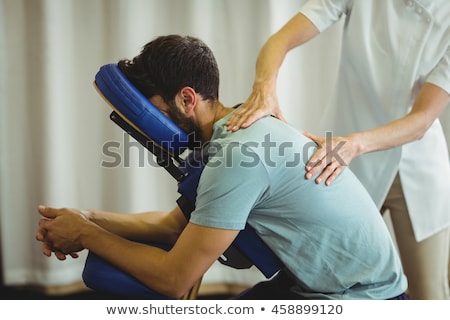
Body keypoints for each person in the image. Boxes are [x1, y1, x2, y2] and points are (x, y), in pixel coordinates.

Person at [36, 35, 408, 300]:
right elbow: (173, 227)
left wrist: (86, 236)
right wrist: (84, 217)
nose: (152, 123)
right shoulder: (235, 137)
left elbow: (175, 279)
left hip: (364, 300)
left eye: (155, 111)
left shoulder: (235, 157)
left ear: (186, 99)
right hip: (333, 287)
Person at [226, 0, 450, 300]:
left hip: (414, 166)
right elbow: (279, 41)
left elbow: (422, 120)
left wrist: (354, 144)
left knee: (429, 294)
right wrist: (263, 89)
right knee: (318, 282)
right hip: (338, 159)